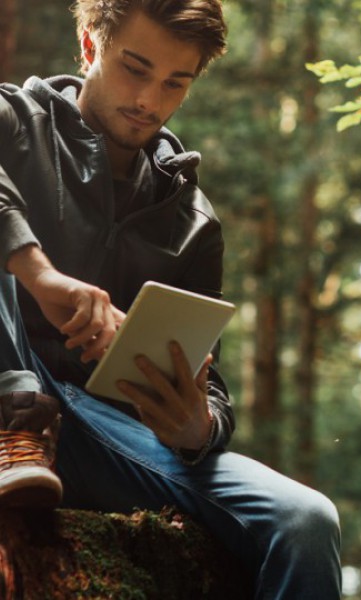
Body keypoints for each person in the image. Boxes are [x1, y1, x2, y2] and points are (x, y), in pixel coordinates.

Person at [0, 1, 342, 598]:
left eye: (174, 83)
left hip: (94, 432)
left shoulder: (191, 221)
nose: (149, 101)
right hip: (11, 391)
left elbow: (209, 380)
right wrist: (38, 273)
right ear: (89, 47)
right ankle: (12, 415)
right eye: (135, 69)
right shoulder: (14, 120)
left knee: (305, 521)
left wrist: (196, 425)